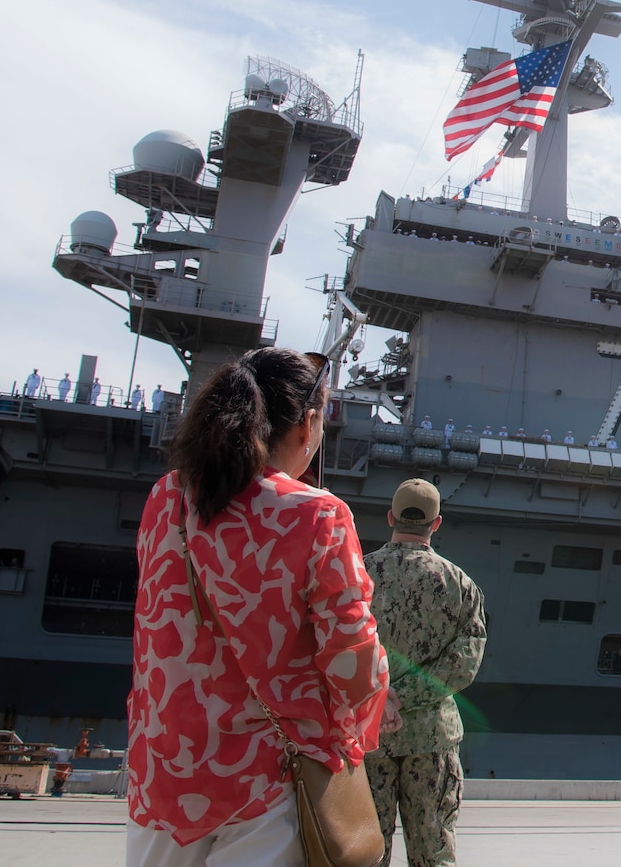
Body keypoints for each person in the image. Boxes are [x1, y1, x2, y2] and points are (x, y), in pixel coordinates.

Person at [127, 346, 389, 865]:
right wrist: (356, 732)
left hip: (163, 774)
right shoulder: (319, 515)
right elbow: (352, 658)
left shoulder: (166, 499)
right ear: (306, 424)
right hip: (267, 784)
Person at [365, 479, 487, 867]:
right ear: (436, 524)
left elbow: (333, 646)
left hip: (367, 737)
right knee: (433, 853)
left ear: (390, 518)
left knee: (363, 852)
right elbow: (464, 662)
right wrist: (408, 696)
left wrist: (383, 697)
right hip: (432, 738)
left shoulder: (357, 574)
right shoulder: (460, 584)